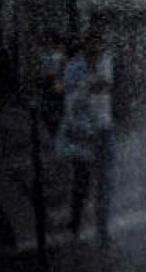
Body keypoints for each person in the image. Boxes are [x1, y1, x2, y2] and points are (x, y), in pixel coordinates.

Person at [57, 27, 115, 247]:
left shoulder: (106, 61)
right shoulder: (74, 66)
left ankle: (103, 228)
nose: (99, 53)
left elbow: (108, 87)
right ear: (87, 46)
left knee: (105, 181)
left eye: (102, 49)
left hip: (103, 127)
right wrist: (89, 86)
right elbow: (70, 98)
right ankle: (75, 223)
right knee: (82, 180)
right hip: (82, 129)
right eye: (95, 48)